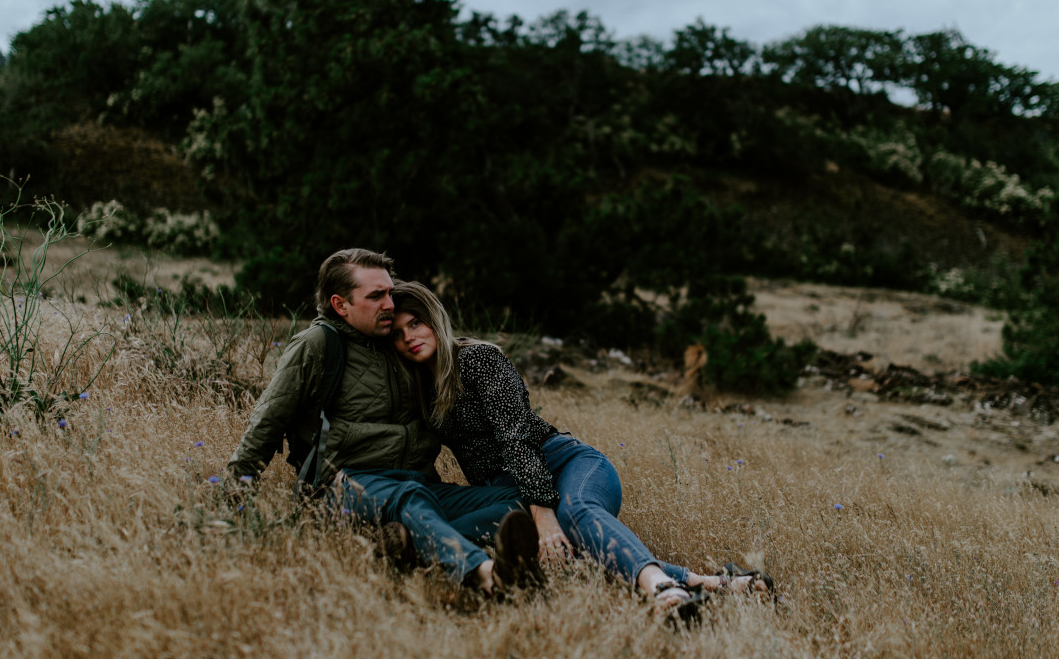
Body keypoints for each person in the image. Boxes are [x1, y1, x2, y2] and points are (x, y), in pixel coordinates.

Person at [389, 280, 774, 621]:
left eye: (416, 323)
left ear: (435, 320)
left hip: (565, 463)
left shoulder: (477, 360)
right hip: (509, 493)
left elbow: (515, 436)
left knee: (574, 514)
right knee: (538, 545)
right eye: (398, 332)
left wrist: (543, 512)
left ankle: (660, 589)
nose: (409, 337)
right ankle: (713, 584)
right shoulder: (417, 389)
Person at [226, 249, 543, 596]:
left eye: (389, 292)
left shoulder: (399, 346)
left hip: (419, 486)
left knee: (516, 499)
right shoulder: (317, 345)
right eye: (376, 296)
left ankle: (411, 541)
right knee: (408, 498)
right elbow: (267, 422)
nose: (390, 304)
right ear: (340, 304)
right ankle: (486, 574)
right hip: (347, 487)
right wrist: (230, 500)